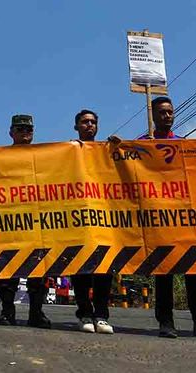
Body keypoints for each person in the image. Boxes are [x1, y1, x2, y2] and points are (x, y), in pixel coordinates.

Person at [140, 97, 196, 339]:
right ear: (153, 115)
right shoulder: (142, 145)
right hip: (159, 218)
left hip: (186, 219)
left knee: (194, 273)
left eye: (170, 112)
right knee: (164, 273)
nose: (167, 116)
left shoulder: (183, 145)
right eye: (162, 112)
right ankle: (166, 322)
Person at [0, 114, 51, 329]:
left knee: (38, 271)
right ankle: (7, 312)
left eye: (28, 129)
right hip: (10, 219)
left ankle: (36, 313)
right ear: (11, 132)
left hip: (37, 220)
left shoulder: (43, 156)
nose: (24, 132)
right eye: (20, 129)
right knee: (8, 271)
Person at [71, 109, 114, 334]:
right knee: (80, 270)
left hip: (103, 219)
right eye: (84, 122)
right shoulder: (67, 151)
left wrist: (118, 148)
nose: (89, 125)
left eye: (93, 122)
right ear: (76, 126)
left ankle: (102, 315)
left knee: (104, 269)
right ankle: (84, 313)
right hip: (76, 220)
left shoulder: (105, 150)